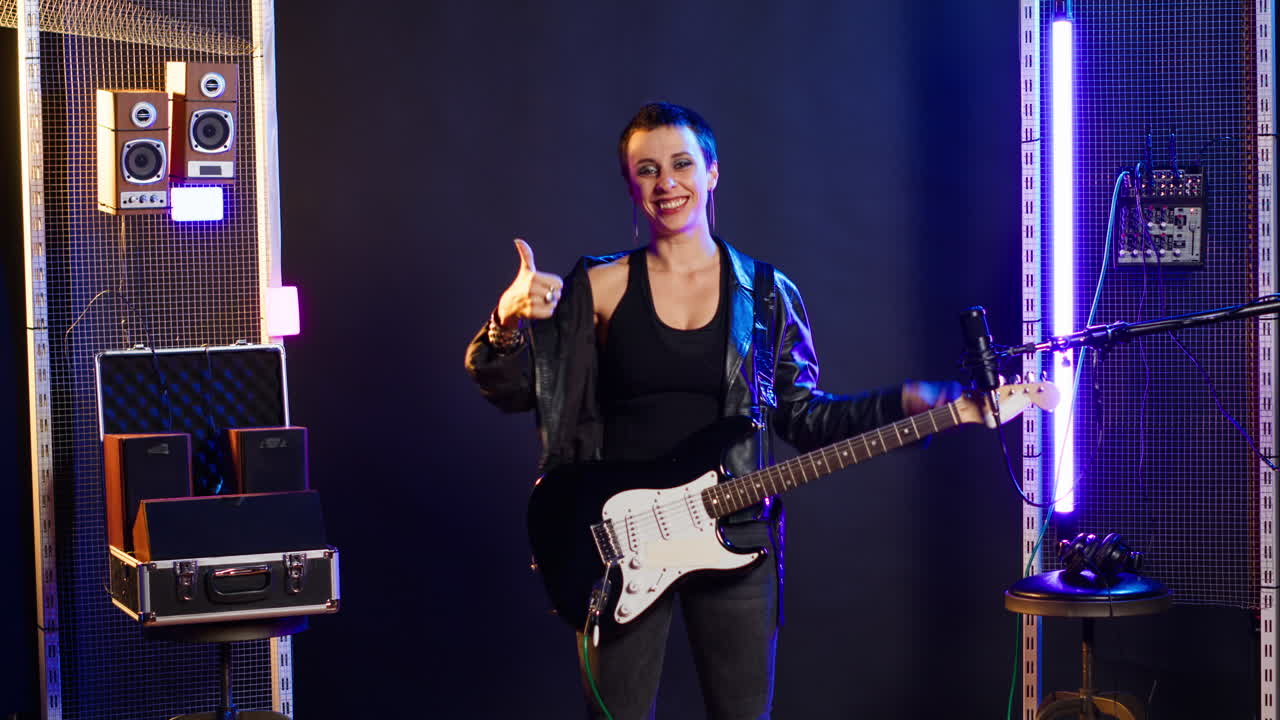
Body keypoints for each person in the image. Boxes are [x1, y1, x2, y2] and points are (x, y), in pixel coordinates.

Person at [465, 102, 960, 720]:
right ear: (630, 185)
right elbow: (514, 391)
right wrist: (507, 319)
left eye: (680, 165)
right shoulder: (600, 285)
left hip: (736, 533)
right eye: (646, 170)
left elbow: (802, 418)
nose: (666, 183)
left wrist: (903, 404)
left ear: (712, 173)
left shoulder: (768, 295)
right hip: (621, 542)